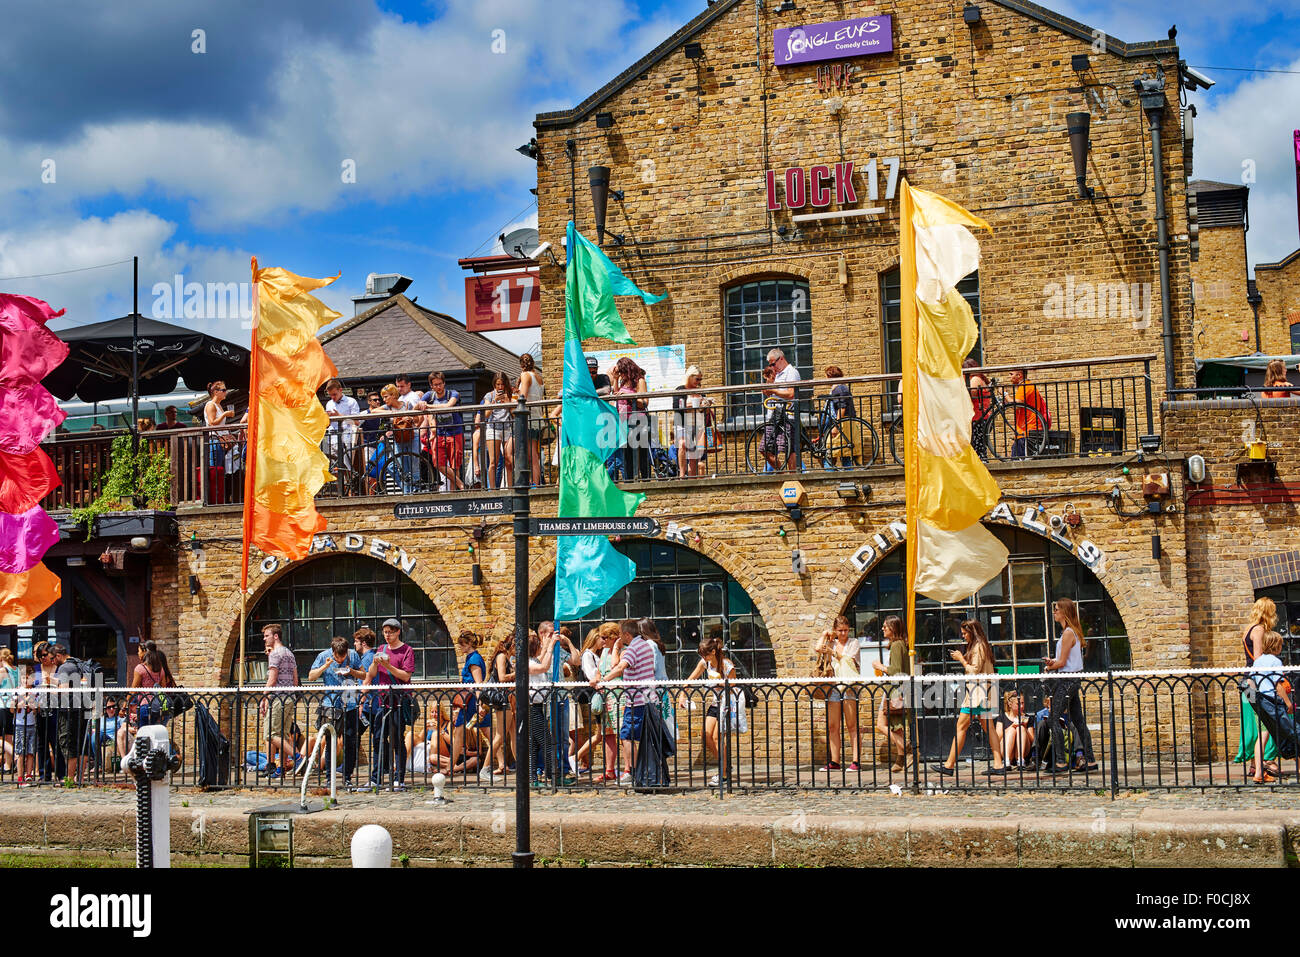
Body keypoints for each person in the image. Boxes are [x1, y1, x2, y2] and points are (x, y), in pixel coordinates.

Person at [933, 620, 1007, 776]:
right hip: (982, 692)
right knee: (989, 728)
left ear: (972, 632)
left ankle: (949, 765)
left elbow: (974, 671)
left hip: (977, 694)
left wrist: (961, 659)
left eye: (965, 633)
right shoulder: (980, 646)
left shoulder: (979, 646)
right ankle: (999, 764)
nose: (963, 636)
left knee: (961, 727)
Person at [591, 618, 655, 786]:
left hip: (632, 698)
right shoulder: (644, 645)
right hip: (641, 697)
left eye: (618, 634)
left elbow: (618, 668)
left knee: (627, 735)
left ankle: (632, 772)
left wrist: (603, 680)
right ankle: (637, 771)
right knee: (635, 735)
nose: (603, 640)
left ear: (625, 635)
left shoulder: (631, 649)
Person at [1042, 598, 1098, 773]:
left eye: (1056, 609)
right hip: (1072, 679)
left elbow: (1062, 663)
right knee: (1078, 721)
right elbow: (1064, 661)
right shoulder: (1070, 632)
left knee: (1052, 719)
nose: (1054, 612)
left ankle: (1060, 762)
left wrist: (1049, 665)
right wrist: (1054, 662)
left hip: (1067, 680)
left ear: (1064, 612)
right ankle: (1090, 761)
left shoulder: (1068, 633)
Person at [677, 633, 738, 786]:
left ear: (712, 652)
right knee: (706, 735)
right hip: (714, 703)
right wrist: (683, 695)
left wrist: (721, 685)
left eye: (705, 654)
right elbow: (691, 678)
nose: (703, 657)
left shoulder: (726, 664)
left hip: (726, 703)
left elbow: (734, 686)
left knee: (718, 737)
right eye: (701, 655)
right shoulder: (704, 663)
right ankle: (725, 765)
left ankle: (723, 773)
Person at [364, 618, 415, 791]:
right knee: (378, 738)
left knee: (397, 740)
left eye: (390, 632)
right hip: (382, 700)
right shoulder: (381, 649)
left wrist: (388, 665)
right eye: (385, 632)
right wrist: (375, 663)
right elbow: (372, 674)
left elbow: (405, 676)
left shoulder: (406, 650)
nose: (387, 635)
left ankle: (398, 778)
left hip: (398, 700)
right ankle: (375, 777)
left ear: (398, 632)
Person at [307, 636, 364, 788]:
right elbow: (311, 677)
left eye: (342, 657)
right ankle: (329, 778)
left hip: (350, 702)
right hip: (330, 705)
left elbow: (364, 675)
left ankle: (347, 777)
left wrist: (351, 671)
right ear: (332, 652)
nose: (339, 660)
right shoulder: (323, 656)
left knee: (350, 742)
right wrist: (325, 667)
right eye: (337, 657)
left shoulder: (353, 655)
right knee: (331, 742)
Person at [1236, 597, 1280, 775]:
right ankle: (1264, 763)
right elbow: (1258, 659)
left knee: (1257, 724)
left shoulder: (1248, 629)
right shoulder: (1259, 629)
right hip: (1255, 684)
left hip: (1247, 683)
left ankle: (1256, 764)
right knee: (1265, 723)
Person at [812, 615, 861, 771]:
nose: (843, 634)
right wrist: (824, 635)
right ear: (835, 630)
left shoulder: (854, 643)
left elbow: (849, 661)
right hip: (833, 686)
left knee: (851, 725)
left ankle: (856, 760)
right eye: (840, 630)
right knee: (833, 726)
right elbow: (818, 648)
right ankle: (835, 761)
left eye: (846, 630)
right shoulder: (831, 642)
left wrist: (833, 652)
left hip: (849, 686)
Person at [870, 615, 911, 772]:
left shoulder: (896, 645)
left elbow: (895, 671)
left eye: (885, 627)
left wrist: (879, 666)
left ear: (892, 629)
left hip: (895, 690)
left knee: (881, 725)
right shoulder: (901, 644)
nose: (882, 629)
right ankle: (900, 760)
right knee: (897, 728)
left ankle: (907, 748)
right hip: (898, 689)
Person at [258, 624, 299, 780]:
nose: (264, 638)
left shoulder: (275, 654)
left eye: (266, 635)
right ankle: (280, 769)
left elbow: (272, 679)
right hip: (290, 698)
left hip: (278, 698)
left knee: (271, 734)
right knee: (282, 735)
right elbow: (295, 680)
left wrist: (264, 696)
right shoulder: (289, 653)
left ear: (276, 636)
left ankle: (299, 757)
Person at [1249, 630, 1289, 783]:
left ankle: (1259, 772)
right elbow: (1278, 685)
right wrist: (1288, 703)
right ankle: (1259, 773)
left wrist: (1254, 703)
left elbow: (1250, 683)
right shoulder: (1276, 661)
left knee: (1261, 738)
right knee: (1290, 732)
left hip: (1259, 702)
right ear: (1276, 646)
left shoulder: (1258, 661)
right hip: (1272, 703)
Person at [51, 644, 93, 785]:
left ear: (58, 655)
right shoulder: (79, 663)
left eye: (52, 658)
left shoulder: (64, 668)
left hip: (68, 710)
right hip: (83, 708)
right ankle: (80, 777)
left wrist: (51, 690)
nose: (52, 662)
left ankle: (69, 778)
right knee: (82, 742)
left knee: (68, 743)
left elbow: (63, 691)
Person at [448, 631, 486, 777]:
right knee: (459, 732)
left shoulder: (474, 659)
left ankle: (451, 766)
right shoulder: (471, 658)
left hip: (471, 702)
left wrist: (479, 704)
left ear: (469, 644)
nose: (460, 647)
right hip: (469, 701)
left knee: (487, 733)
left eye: (462, 644)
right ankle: (451, 766)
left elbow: (478, 684)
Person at [526, 628, 561, 785]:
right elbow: (544, 666)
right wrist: (551, 645)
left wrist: (547, 643)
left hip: (537, 706)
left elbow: (541, 658)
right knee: (547, 742)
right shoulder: (527, 664)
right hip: (532, 708)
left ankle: (533, 779)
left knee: (533, 745)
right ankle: (553, 776)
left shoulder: (533, 660)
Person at [421, 372, 465, 492]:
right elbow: (417, 406)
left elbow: (448, 405)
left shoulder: (453, 393)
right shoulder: (429, 396)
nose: (438, 387)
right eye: (435, 385)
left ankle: (453, 494)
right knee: (438, 463)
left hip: (455, 432)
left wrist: (428, 407)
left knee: (455, 465)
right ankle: (461, 484)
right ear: (431, 386)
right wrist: (421, 404)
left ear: (444, 383)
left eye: (440, 384)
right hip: (440, 434)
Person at [481, 633, 516, 780]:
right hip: (502, 699)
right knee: (500, 736)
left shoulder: (507, 657)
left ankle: (524, 769)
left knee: (514, 734)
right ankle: (485, 769)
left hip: (507, 699)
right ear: (512, 645)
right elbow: (502, 678)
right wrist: (518, 673)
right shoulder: (502, 656)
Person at [761, 348, 802, 472]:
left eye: (773, 363)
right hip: (773, 416)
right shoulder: (777, 374)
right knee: (764, 449)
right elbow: (771, 394)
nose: (772, 367)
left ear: (782, 358)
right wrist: (769, 384)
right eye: (770, 364)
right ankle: (782, 472)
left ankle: (793, 476)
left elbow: (790, 394)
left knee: (788, 449)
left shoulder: (791, 372)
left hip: (787, 416)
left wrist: (773, 390)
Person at [31, 641, 65, 782]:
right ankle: (44, 775)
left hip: (55, 709)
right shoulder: (36, 669)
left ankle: (61, 774)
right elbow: (30, 688)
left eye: (45, 655)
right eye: (40, 655)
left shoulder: (58, 668)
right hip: (40, 710)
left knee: (57, 742)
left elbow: (62, 688)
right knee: (42, 744)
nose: (43, 658)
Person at [379, 384, 422, 492]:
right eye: (383, 397)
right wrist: (393, 413)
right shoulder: (387, 408)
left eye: (386, 396)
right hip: (398, 438)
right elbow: (374, 411)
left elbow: (417, 419)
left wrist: (410, 418)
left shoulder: (407, 404)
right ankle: (407, 492)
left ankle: (416, 492)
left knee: (414, 465)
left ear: (393, 395)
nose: (384, 400)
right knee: (402, 468)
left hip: (412, 436)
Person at [613, 357, 651, 481]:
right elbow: (616, 394)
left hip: (638, 421)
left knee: (641, 453)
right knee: (627, 454)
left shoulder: (640, 381)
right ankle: (629, 481)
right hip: (624, 421)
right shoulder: (623, 382)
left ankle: (645, 480)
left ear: (628, 370)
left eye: (623, 372)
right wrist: (615, 379)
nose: (622, 375)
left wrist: (630, 397)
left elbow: (644, 402)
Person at [322, 378, 361, 481]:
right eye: (330, 395)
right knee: (334, 468)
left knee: (346, 466)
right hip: (331, 439)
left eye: (334, 394)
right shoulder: (329, 404)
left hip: (346, 438)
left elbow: (356, 422)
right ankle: (338, 491)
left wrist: (339, 416)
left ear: (340, 390)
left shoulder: (351, 402)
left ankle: (350, 488)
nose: (332, 397)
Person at [204, 381, 236, 504]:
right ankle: (214, 499)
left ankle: (220, 497)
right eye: (223, 390)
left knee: (220, 469)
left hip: (220, 440)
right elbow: (212, 423)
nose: (225, 392)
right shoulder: (211, 405)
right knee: (216, 469)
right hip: (215, 440)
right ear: (216, 392)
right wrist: (225, 415)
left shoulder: (218, 405)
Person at [673, 366, 708, 477]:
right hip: (683, 423)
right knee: (682, 444)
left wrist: (705, 405)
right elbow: (676, 406)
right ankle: (682, 476)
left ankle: (693, 477)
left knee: (694, 451)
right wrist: (694, 405)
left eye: (700, 379)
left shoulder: (700, 391)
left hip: (697, 424)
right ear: (689, 377)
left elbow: (702, 410)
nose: (699, 382)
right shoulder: (680, 389)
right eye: (697, 379)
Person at [1008, 368, 1050, 458]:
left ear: (1019, 375)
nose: (1009, 376)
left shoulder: (1025, 387)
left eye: (1011, 374)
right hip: (1026, 431)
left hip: (1027, 431)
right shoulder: (1027, 386)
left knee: (1017, 462)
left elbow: (1017, 404)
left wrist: (1005, 394)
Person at [483, 372, 515, 490]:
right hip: (493, 429)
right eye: (498, 384)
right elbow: (486, 414)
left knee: (508, 460)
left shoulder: (510, 395)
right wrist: (494, 402)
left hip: (507, 428)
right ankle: (492, 489)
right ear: (494, 385)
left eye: (502, 384)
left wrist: (508, 402)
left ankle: (511, 488)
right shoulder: (489, 395)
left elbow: (514, 415)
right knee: (493, 462)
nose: (500, 387)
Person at [518, 354, 546, 487]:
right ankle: (534, 481)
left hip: (528, 418)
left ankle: (535, 483)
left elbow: (522, 397)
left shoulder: (525, 376)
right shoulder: (538, 377)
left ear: (521, 365)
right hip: (538, 417)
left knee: (532, 454)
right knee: (533, 452)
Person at [13, 667, 37, 786]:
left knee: (31, 751)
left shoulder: (34, 691)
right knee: (20, 751)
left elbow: (36, 709)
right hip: (20, 724)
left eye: (28, 678)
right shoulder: (17, 691)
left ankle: (29, 774)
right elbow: (12, 709)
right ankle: (20, 777)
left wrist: (32, 704)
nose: (25, 680)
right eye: (23, 678)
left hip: (31, 724)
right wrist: (19, 703)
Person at [964, 358, 992, 458]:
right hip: (979, 417)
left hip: (979, 417)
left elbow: (970, 394)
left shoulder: (975, 379)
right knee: (978, 446)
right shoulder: (979, 378)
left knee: (977, 447)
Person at [999, 691, 1034, 767]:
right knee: (1012, 730)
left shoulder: (1027, 717)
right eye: (1018, 704)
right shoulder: (1002, 716)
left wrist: (1024, 727)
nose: (1021, 706)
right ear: (1010, 704)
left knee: (1020, 728)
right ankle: (1007, 761)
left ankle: (1020, 760)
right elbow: (998, 738)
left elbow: (1032, 740)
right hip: (1007, 752)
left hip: (1023, 752)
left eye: (1023, 703)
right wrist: (1012, 726)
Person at [0, 647, 18, 776]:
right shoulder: (16, 670)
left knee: (3, 738)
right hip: (12, 706)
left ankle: (16, 756)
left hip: (2, 704)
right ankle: (8, 765)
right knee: (8, 737)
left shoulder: (2, 670)